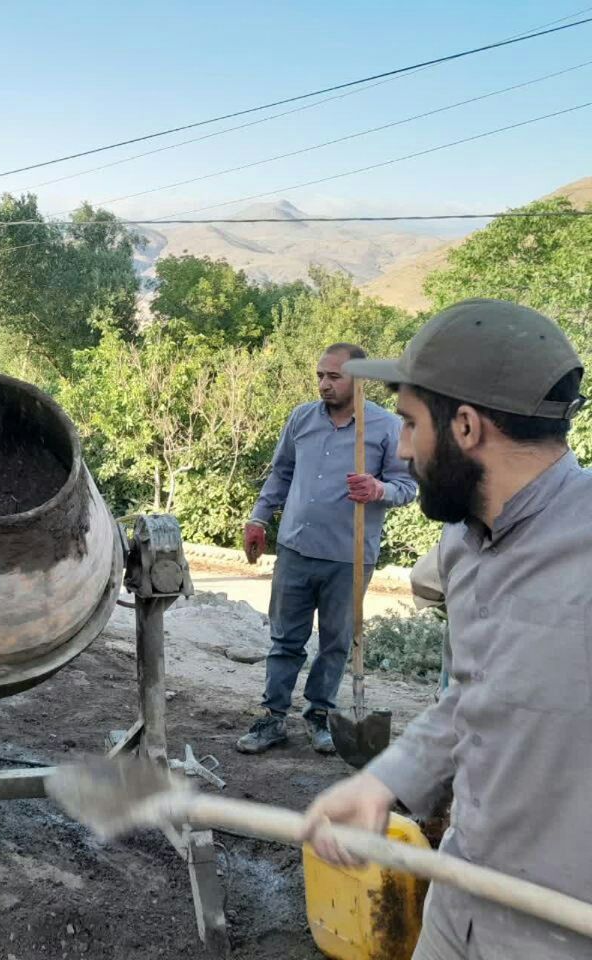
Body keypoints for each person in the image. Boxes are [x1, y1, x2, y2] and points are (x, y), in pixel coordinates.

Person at [302, 299, 590, 960]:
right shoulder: (464, 544)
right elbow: (477, 693)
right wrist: (386, 779)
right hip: (456, 905)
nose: (400, 450)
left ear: (464, 425)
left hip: (556, 935)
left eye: (407, 424)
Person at [237, 343, 417, 755]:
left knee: (336, 642)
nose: (324, 384)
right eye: (321, 375)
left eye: (334, 376)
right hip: (296, 548)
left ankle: (320, 716)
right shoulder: (302, 418)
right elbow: (281, 473)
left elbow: (408, 487)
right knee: (285, 639)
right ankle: (272, 718)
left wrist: (378, 489)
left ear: (359, 379)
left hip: (349, 555)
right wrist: (259, 518)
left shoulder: (386, 427)